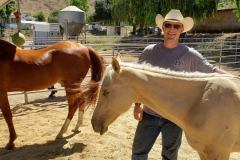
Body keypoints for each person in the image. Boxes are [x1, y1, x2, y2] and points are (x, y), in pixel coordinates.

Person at [132, 9, 228, 160]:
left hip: (175, 118)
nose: (172, 29)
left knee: (170, 156)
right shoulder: (149, 52)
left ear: (181, 30)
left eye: (176, 26)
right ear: (162, 27)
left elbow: (212, 70)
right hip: (149, 114)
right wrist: (137, 105)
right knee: (139, 153)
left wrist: (235, 79)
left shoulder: (190, 55)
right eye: (168, 25)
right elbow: (138, 80)